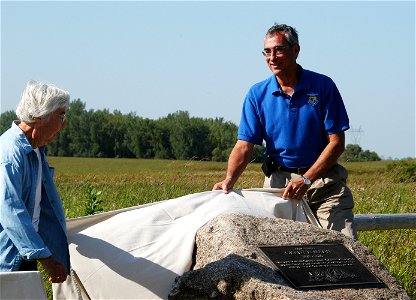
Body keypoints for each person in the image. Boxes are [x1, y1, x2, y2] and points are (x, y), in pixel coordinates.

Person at [213, 23, 357, 239]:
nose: (273, 57)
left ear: (295, 50)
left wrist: (307, 179)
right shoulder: (257, 94)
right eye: (267, 52)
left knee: (345, 248)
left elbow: (337, 142)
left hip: (324, 184)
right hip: (279, 188)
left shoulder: (323, 86)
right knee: (280, 253)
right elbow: (244, 145)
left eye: (279, 49)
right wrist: (229, 180)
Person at [0, 81, 70, 283]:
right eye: (61, 115)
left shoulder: (36, 149)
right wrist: (46, 258)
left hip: (24, 254)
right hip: (8, 258)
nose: (64, 124)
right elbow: (11, 211)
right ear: (40, 116)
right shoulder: (10, 154)